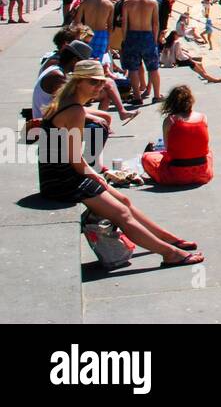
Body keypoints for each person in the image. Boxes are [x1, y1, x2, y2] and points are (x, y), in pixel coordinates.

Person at [39, 61, 202, 266]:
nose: (98, 87)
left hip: (58, 173)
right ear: (78, 82)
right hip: (61, 180)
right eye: (93, 82)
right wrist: (98, 177)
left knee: (123, 200)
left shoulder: (68, 102)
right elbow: (75, 159)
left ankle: (167, 238)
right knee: (122, 213)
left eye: (101, 82)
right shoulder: (74, 111)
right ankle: (170, 253)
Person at [141, 84, 213, 186]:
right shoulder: (203, 117)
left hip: (176, 175)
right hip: (203, 173)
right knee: (209, 153)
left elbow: (168, 149)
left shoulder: (170, 121)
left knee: (147, 157)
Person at [121, 0, 162, 103]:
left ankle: (137, 97)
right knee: (153, 68)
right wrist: (154, 39)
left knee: (133, 69)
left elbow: (124, 23)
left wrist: (124, 39)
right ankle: (156, 95)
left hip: (132, 35)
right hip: (147, 35)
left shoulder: (127, 2)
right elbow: (155, 24)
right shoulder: (153, 2)